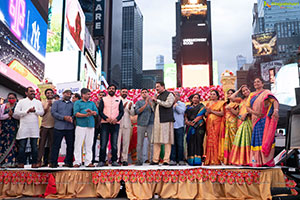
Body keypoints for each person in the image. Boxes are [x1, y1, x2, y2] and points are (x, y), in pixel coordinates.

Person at [246, 77, 279, 167]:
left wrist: (275, 110)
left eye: (258, 82)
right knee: (256, 140)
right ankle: (257, 161)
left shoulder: (266, 92)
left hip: (264, 120)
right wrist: (255, 113)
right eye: (255, 82)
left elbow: (274, 100)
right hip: (255, 120)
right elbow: (247, 108)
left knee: (265, 139)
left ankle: (266, 160)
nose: (256, 83)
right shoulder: (251, 94)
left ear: (262, 83)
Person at [14, 87, 44, 168]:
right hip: (24, 127)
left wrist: (35, 111)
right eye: (31, 91)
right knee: (22, 146)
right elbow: (16, 113)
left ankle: (34, 163)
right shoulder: (21, 102)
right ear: (26, 93)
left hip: (34, 127)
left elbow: (42, 113)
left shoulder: (38, 102)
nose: (33, 93)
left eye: (33, 91)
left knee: (34, 146)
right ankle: (21, 163)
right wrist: (26, 112)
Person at [98, 84, 124, 167]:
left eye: (113, 89)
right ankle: (102, 161)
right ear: (108, 90)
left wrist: (116, 119)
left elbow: (121, 112)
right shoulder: (103, 99)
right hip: (105, 123)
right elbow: (100, 111)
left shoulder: (118, 100)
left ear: (115, 90)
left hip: (115, 124)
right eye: (110, 89)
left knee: (114, 144)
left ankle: (114, 161)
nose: (111, 90)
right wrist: (106, 118)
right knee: (103, 143)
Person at [151, 82, 175, 165]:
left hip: (166, 120)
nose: (156, 88)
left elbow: (169, 104)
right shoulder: (158, 96)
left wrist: (157, 100)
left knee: (167, 140)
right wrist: (153, 102)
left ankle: (166, 160)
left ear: (163, 86)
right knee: (156, 140)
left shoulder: (170, 94)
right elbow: (155, 108)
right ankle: (155, 160)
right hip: (157, 120)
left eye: (158, 87)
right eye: (156, 87)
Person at [73, 88, 98, 167]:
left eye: (89, 94)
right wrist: (85, 115)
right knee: (78, 144)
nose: (89, 95)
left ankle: (88, 162)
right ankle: (77, 162)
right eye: (88, 94)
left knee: (89, 144)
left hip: (90, 125)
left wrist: (92, 112)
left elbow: (96, 112)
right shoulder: (77, 103)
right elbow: (76, 113)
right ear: (83, 95)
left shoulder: (92, 103)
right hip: (80, 125)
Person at [50, 89, 75, 168]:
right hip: (58, 126)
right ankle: (53, 162)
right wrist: (63, 118)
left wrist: (71, 118)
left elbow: (75, 113)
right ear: (63, 94)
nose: (68, 95)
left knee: (70, 145)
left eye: (70, 94)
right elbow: (53, 113)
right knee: (56, 145)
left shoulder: (73, 104)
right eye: (67, 93)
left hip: (69, 127)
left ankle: (68, 162)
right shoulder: (56, 103)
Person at [229, 85, 252, 166]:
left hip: (249, 121)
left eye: (246, 90)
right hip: (240, 121)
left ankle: (248, 160)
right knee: (240, 140)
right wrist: (239, 90)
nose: (245, 92)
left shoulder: (253, 98)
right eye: (243, 91)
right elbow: (231, 98)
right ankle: (241, 160)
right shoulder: (241, 100)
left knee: (247, 140)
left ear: (249, 90)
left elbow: (256, 109)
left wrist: (247, 113)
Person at [184, 94, 206, 166]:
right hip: (190, 126)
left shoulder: (202, 106)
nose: (195, 99)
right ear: (191, 99)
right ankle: (190, 160)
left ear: (199, 99)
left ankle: (198, 160)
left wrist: (193, 122)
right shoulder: (188, 107)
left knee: (198, 142)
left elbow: (200, 115)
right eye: (194, 97)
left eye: (197, 98)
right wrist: (187, 121)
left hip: (199, 125)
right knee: (190, 142)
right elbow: (185, 115)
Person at [134, 88, 154, 166]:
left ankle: (152, 160)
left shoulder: (152, 102)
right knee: (139, 143)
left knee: (151, 143)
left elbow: (155, 110)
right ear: (141, 94)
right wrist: (145, 104)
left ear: (148, 93)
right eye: (143, 92)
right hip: (141, 124)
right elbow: (137, 111)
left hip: (151, 123)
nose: (144, 93)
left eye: (146, 92)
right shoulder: (138, 102)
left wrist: (150, 103)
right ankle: (139, 160)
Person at [204, 90, 224, 165]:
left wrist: (211, 111)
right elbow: (206, 115)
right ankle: (209, 159)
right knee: (209, 140)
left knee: (216, 139)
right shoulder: (208, 104)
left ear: (217, 96)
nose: (212, 95)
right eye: (211, 94)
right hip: (209, 123)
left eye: (214, 94)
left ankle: (216, 159)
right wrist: (207, 112)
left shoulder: (220, 103)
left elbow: (222, 113)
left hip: (217, 123)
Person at [37, 89, 55, 167]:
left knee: (52, 145)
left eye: (51, 93)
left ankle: (50, 162)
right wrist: (48, 106)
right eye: (48, 93)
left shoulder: (56, 102)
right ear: (45, 94)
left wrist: (53, 105)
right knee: (41, 144)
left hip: (53, 126)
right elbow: (41, 114)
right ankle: (39, 161)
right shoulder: (42, 102)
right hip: (44, 125)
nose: (49, 94)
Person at [0, 93, 19, 167]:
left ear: (15, 98)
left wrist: (13, 115)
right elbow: (1, 116)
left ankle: (12, 162)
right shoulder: (3, 106)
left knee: (14, 144)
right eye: (9, 97)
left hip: (14, 127)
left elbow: (19, 116)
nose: (11, 99)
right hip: (5, 128)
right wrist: (8, 115)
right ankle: (3, 161)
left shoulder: (17, 106)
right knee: (4, 143)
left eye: (13, 97)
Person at [117, 88, 135, 166]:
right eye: (123, 91)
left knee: (126, 142)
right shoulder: (117, 100)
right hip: (118, 123)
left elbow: (133, 113)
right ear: (120, 92)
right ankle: (117, 158)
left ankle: (124, 159)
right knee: (117, 142)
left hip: (127, 123)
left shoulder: (130, 101)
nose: (124, 93)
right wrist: (122, 107)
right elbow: (115, 111)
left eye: (126, 92)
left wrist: (130, 108)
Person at [223, 89, 239, 165]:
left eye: (231, 93)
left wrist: (231, 109)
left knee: (233, 140)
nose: (229, 95)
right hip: (227, 123)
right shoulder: (226, 103)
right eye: (228, 93)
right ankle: (228, 160)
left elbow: (237, 113)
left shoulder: (236, 103)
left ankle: (235, 159)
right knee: (227, 141)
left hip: (233, 123)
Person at [170, 92, 186, 166]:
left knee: (180, 143)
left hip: (179, 126)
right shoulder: (169, 104)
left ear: (179, 97)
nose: (174, 97)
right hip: (171, 126)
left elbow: (181, 111)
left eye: (176, 96)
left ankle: (180, 159)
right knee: (172, 144)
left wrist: (175, 105)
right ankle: (173, 159)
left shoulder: (182, 104)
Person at [92, 91, 106, 164]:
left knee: (103, 143)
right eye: (100, 95)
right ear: (97, 96)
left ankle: (102, 159)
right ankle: (92, 158)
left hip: (104, 125)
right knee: (93, 142)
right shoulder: (94, 104)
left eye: (103, 95)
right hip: (95, 125)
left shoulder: (106, 103)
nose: (101, 96)